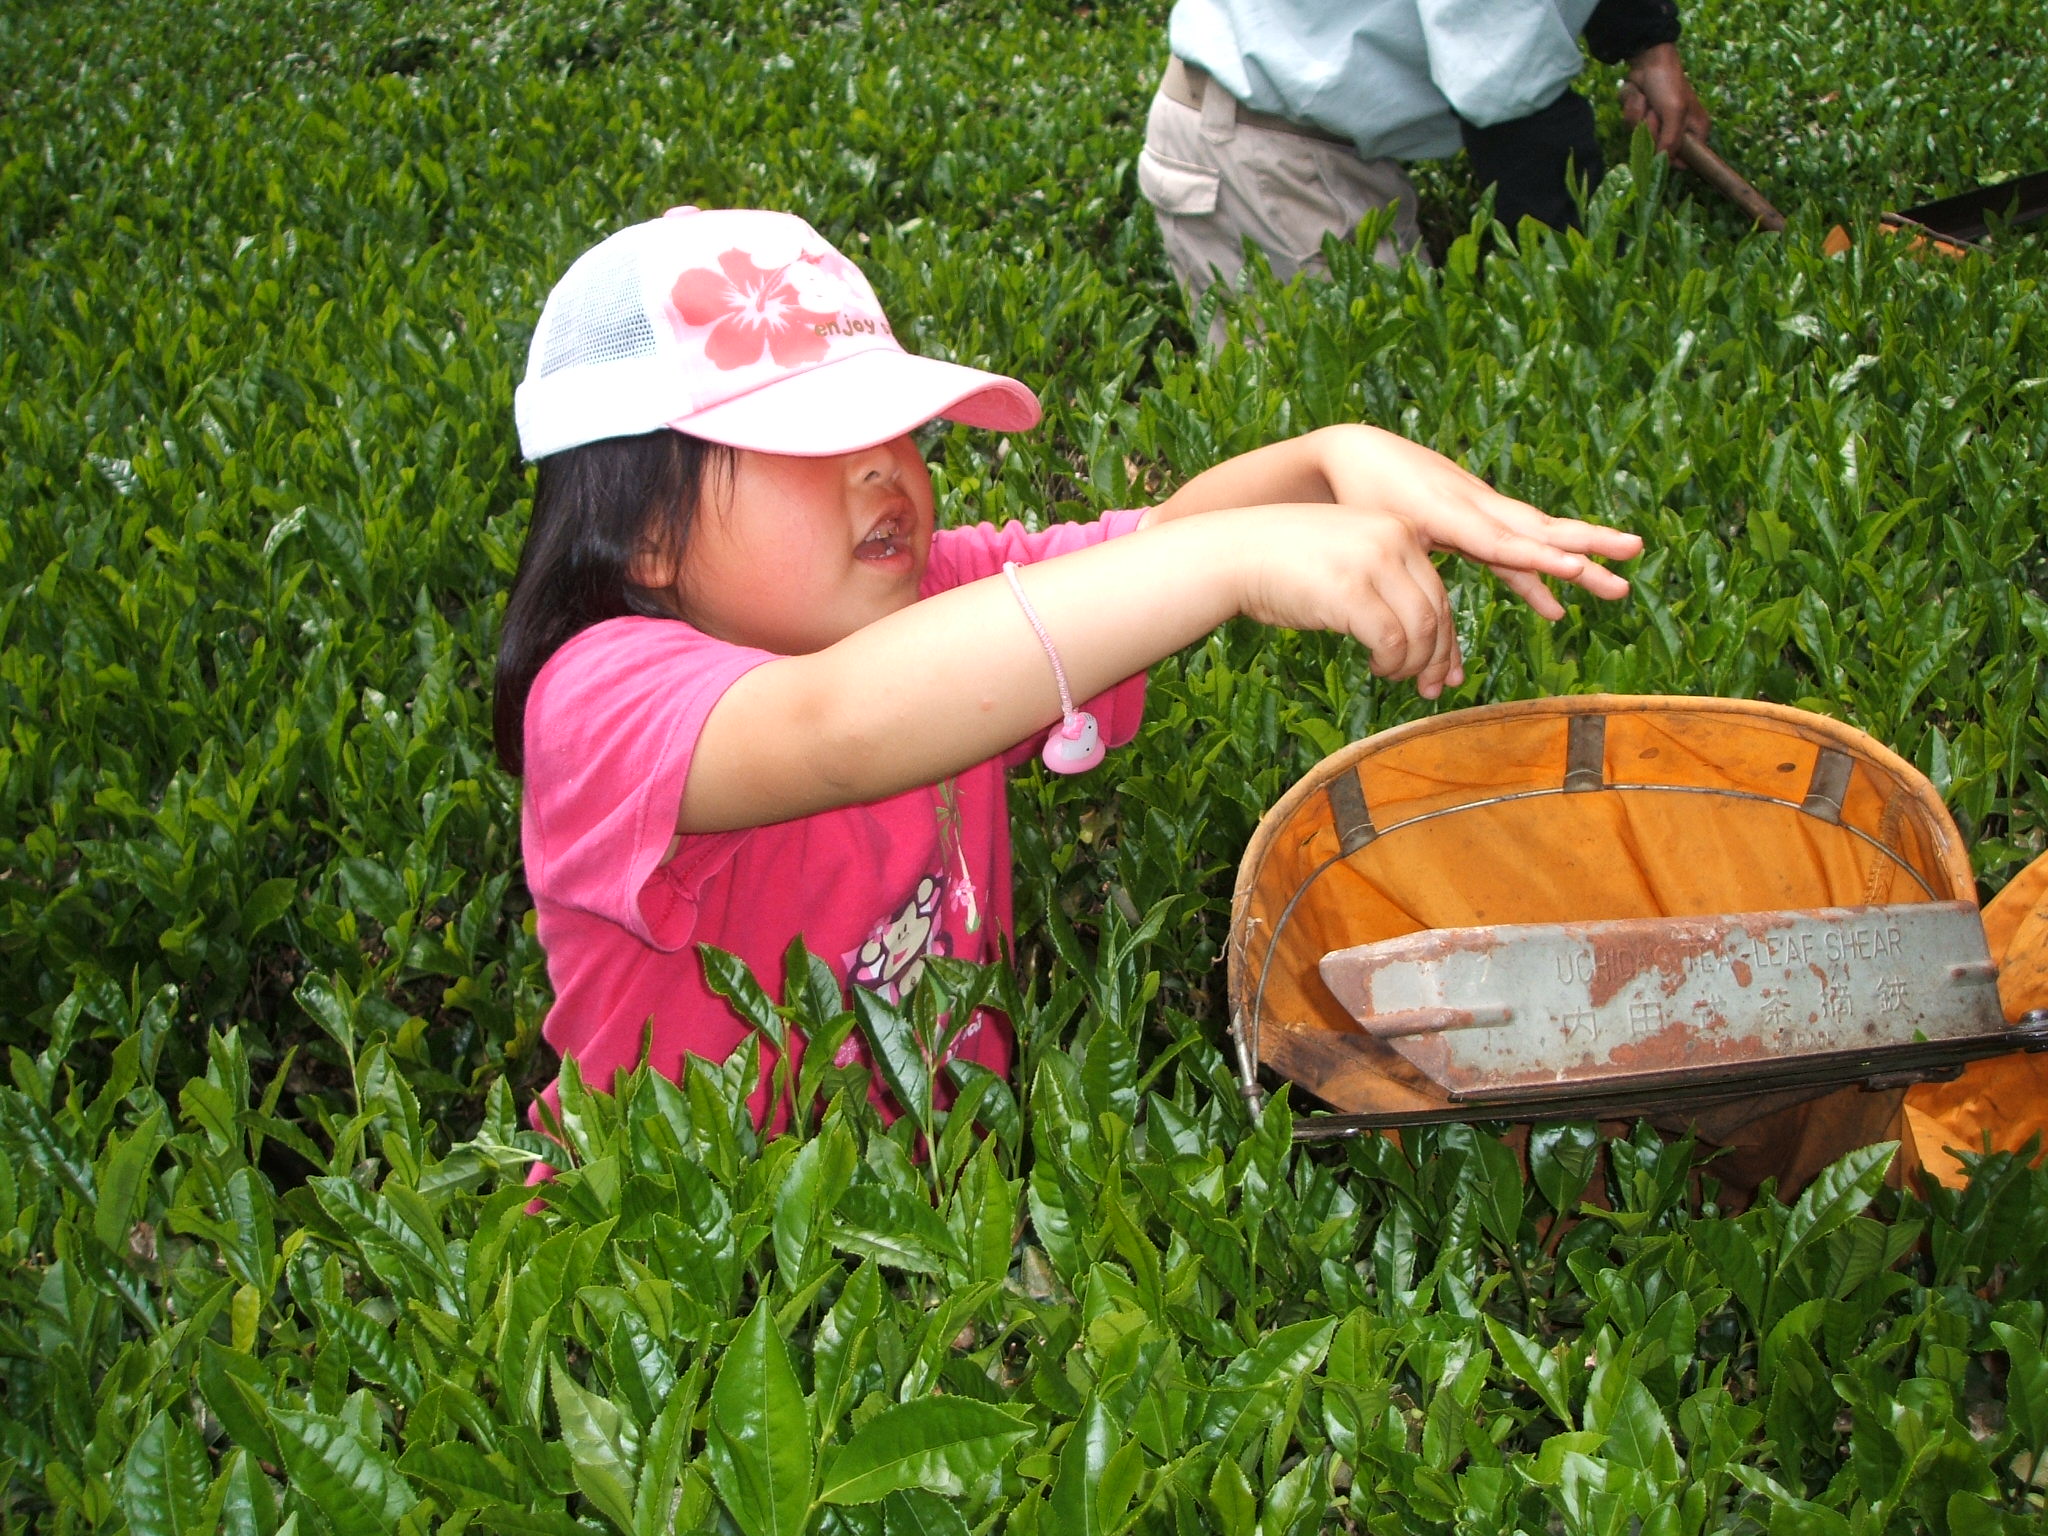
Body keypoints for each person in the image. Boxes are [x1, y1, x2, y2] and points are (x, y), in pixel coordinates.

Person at [494, 204, 1643, 1143]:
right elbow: (834, 725)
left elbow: (1153, 552)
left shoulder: (938, 598)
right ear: (643, 531)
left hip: (940, 1197)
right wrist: (1237, 559)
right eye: (816, 440)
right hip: (687, 1258)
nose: (882, 468)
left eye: (895, 430)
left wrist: (1330, 460)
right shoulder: (597, 699)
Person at [1139, 0, 1711, 312]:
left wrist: (1648, 44)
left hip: (1297, 134)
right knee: (1347, 455)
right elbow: (1512, 99)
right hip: (1265, 161)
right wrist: (1592, 303)